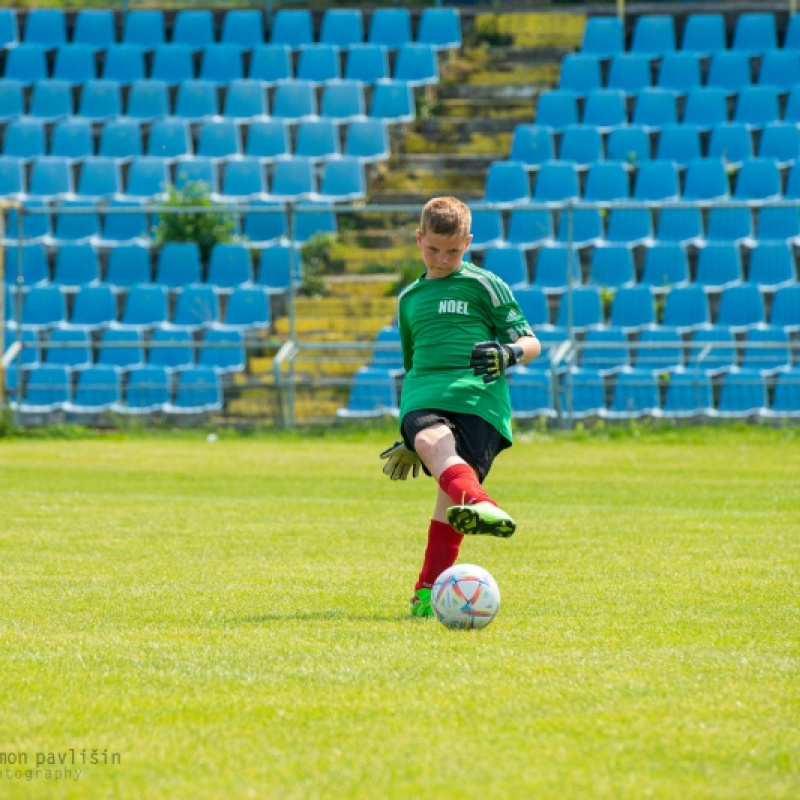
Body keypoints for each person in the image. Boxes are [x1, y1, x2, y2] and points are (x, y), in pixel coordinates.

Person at [379, 196, 541, 618]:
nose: (442, 258)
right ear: (419, 239)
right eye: (433, 248)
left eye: (453, 250)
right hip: (424, 392)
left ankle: (425, 591)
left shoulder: (485, 284)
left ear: (468, 242)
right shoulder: (410, 298)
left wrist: (508, 354)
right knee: (433, 439)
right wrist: (410, 434)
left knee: (445, 500)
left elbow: (531, 341)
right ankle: (481, 502)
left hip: (478, 397)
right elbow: (412, 362)